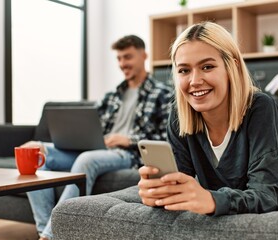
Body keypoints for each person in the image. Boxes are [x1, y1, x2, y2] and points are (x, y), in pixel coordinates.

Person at [137, 21, 278, 216]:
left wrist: (212, 200)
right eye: (184, 70)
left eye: (207, 67)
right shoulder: (179, 114)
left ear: (233, 67)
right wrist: (159, 192)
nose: (194, 81)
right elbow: (180, 184)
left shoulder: (260, 106)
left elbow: (267, 196)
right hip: (271, 143)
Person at [23, 35, 173, 240]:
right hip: (97, 147)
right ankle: (44, 229)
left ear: (144, 55)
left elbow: (166, 136)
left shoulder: (162, 93)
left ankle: (51, 235)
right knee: (35, 152)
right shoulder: (112, 95)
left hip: (127, 153)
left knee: (87, 159)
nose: (122, 64)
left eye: (127, 57)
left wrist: (127, 139)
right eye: (119, 58)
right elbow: (89, 126)